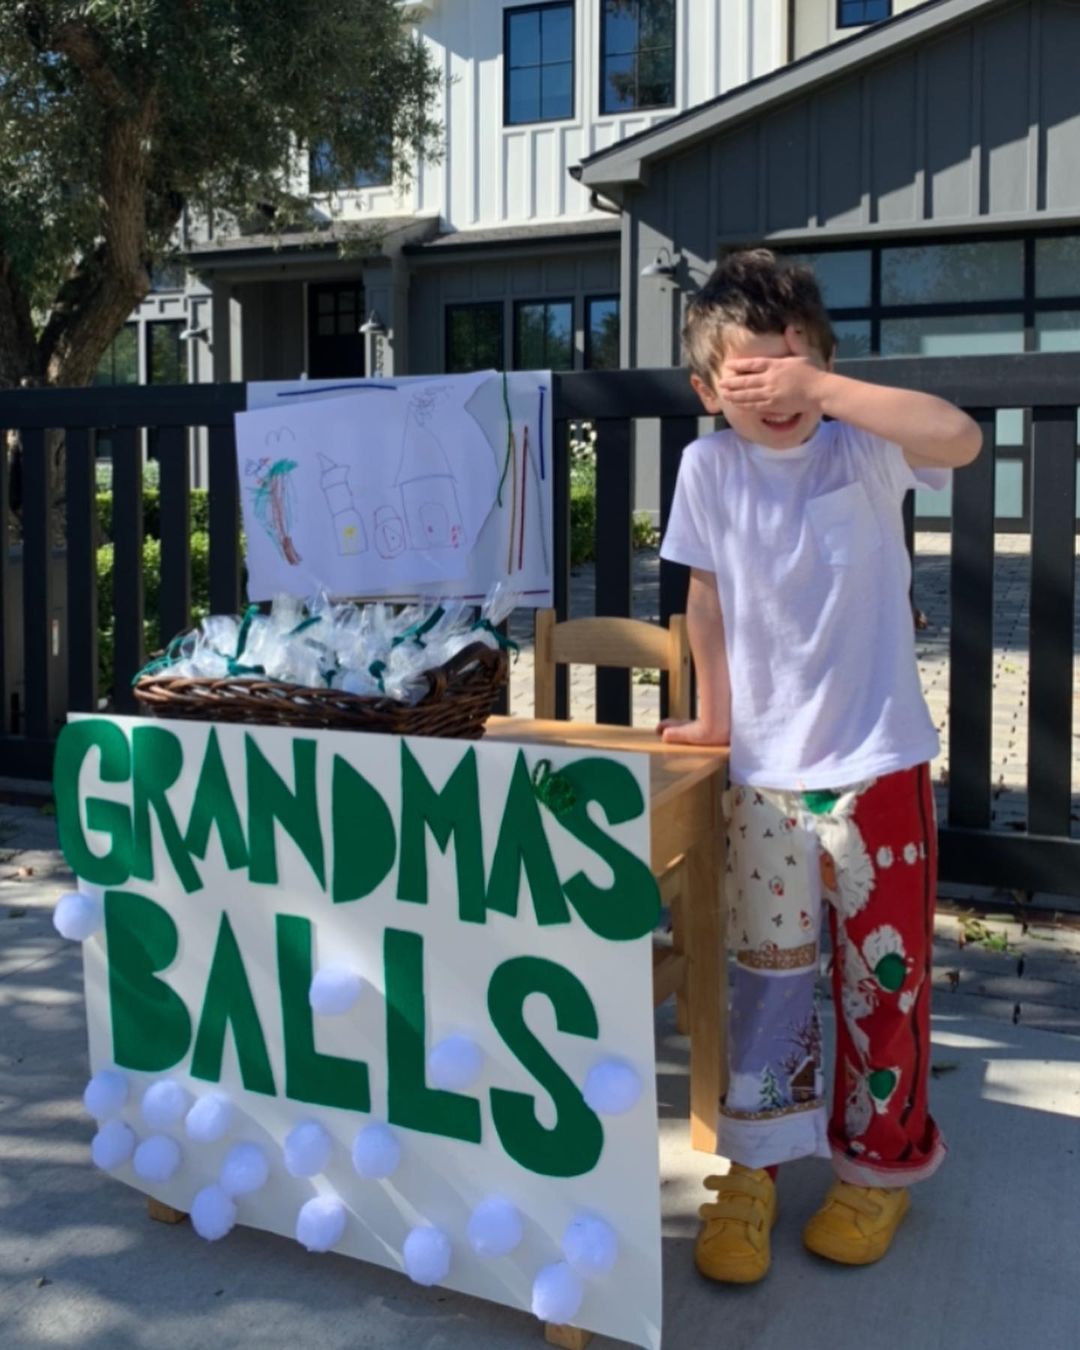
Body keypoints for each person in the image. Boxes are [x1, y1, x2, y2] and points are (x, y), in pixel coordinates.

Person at [657, 249, 980, 1284]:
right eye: (749, 376)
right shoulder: (708, 469)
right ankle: (754, 1166)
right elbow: (706, 598)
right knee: (769, 980)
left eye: (791, 368)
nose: (776, 393)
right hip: (765, 776)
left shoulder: (864, 448)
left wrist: (828, 390)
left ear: (823, 365)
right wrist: (716, 719)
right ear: (707, 390)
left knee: (885, 980)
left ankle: (879, 1169)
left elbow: (961, 438)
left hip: (880, 765)